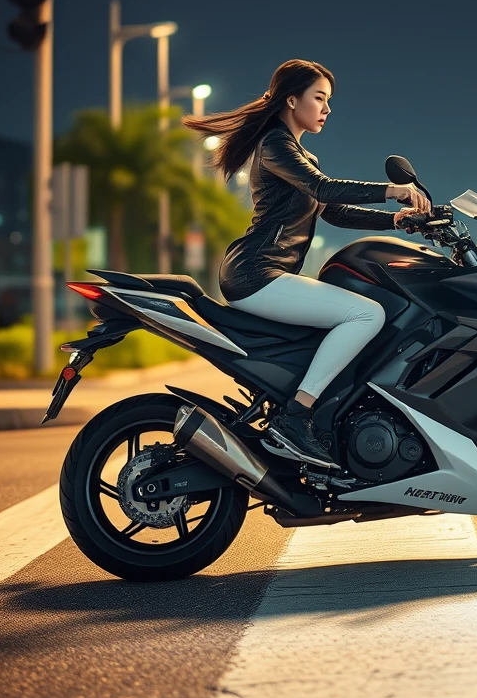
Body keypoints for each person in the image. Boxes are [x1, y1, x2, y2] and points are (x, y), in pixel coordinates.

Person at [183, 59, 430, 468]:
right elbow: (323, 188)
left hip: (267, 272)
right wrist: (392, 191)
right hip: (256, 273)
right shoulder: (276, 145)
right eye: (320, 98)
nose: (327, 108)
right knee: (366, 315)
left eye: (328, 100)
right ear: (291, 99)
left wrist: (395, 221)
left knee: (361, 313)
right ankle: (296, 417)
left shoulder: (298, 152)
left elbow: (330, 210)